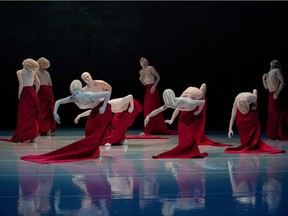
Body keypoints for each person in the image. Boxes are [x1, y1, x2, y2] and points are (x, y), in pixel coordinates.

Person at [20, 79, 112, 164]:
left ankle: (94, 151)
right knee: (88, 130)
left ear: (81, 91)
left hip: (104, 110)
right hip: (94, 112)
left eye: (77, 93)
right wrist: (55, 113)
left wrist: (103, 106)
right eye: (74, 94)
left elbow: (107, 94)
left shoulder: (89, 95)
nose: (76, 96)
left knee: (96, 133)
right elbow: (58, 102)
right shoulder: (73, 98)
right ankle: (92, 150)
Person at [144, 88, 208, 159]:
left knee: (201, 91)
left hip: (192, 112)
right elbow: (159, 110)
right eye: (169, 106)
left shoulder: (188, 101)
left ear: (174, 101)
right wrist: (149, 116)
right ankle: (185, 150)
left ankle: (199, 88)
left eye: (171, 106)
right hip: (184, 115)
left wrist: (199, 111)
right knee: (185, 136)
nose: (170, 107)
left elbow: (202, 102)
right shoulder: (173, 102)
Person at [225, 89, 285, 154]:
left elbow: (255, 91)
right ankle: (246, 142)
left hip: (250, 105)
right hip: (242, 109)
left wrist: (254, 106)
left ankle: (253, 142)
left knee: (252, 128)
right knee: (244, 134)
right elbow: (233, 115)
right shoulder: (236, 102)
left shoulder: (252, 97)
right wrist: (230, 129)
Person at [74, 94, 143, 148]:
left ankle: (111, 140)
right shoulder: (105, 107)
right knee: (114, 123)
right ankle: (121, 139)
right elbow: (92, 112)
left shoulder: (115, 102)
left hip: (132, 107)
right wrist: (80, 115)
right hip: (122, 111)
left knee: (121, 125)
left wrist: (132, 106)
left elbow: (130, 96)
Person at [0, 58, 40, 143]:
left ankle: (25, 135)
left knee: (23, 115)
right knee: (32, 115)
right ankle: (33, 136)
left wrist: (19, 95)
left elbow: (21, 84)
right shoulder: (33, 72)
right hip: (32, 93)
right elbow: (38, 84)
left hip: (25, 92)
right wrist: (35, 93)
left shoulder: (19, 72)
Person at [139, 57, 177, 135]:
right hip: (147, 89)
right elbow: (145, 83)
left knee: (152, 107)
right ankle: (148, 129)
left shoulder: (150, 68)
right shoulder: (141, 72)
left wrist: (153, 86)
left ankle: (149, 130)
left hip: (152, 88)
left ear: (146, 61)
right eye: (141, 60)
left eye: (144, 60)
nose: (143, 61)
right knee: (146, 108)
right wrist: (141, 80)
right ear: (140, 63)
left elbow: (158, 77)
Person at [262, 60, 288, 140]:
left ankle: (279, 134)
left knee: (277, 113)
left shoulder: (277, 71)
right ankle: (273, 134)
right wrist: (263, 78)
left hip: (275, 94)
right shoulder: (269, 73)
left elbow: (283, 82)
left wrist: (277, 92)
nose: (273, 63)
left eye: (274, 62)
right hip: (270, 95)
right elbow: (266, 87)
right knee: (271, 113)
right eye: (272, 62)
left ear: (277, 64)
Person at [36, 57, 57, 135]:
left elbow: (37, 84)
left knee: (41, 110)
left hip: (41, 91)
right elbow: (50, 84)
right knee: (48, 110)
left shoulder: (35, 72)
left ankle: (40, 129)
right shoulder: (47, 73)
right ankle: (48, 129)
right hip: (48, 90)